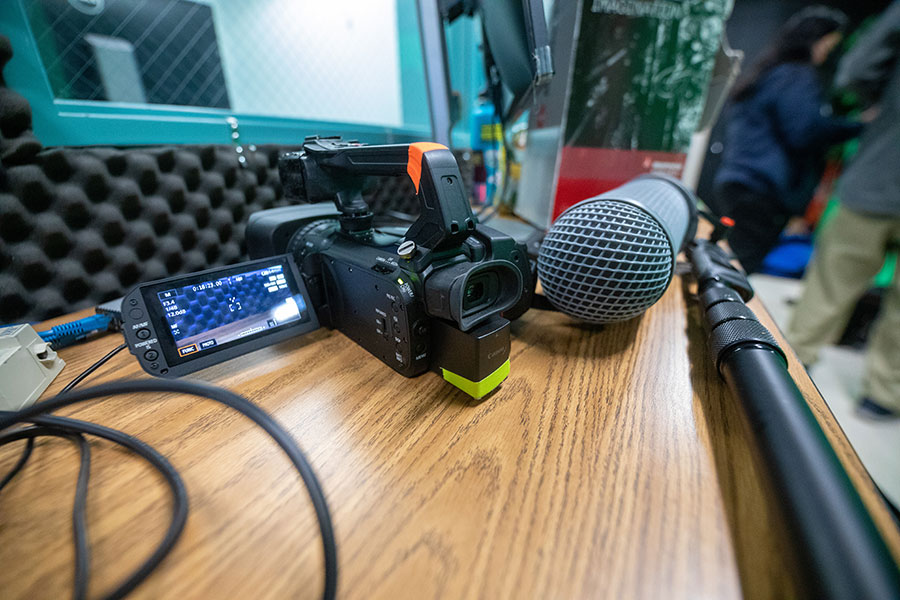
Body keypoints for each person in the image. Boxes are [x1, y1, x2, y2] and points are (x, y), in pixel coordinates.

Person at [789, 2, 900, 420]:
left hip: (881, 175)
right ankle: (884, 396)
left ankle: (792, 367)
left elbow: (857, 71)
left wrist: (883, 103)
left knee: (832, 282)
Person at [713, 6, 864, 274]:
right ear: (816, 39)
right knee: (733, 272)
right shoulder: (795, 76)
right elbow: (805, 132)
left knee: (728, 264)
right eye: (829, 44)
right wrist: (858, 126)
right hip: (761, 189)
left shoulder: (770, 72)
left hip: (741, 182)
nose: (829, 51)